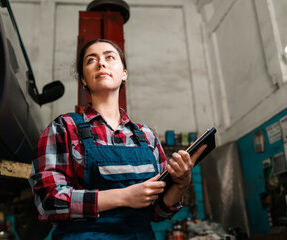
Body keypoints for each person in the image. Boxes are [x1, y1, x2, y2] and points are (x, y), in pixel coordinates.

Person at [29, 39, 206, 239]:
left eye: (109, 57)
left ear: (124, 74)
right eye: (91, 60)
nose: (101, 63)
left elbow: (158, 212)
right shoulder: (64, 128)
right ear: (84, 80)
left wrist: (182, 183)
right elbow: (49, 202)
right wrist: (124, 197)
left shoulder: (146, 136)